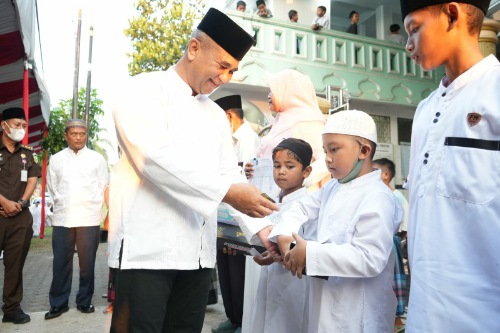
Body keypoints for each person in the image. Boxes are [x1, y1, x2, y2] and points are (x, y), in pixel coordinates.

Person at [108, 8, 278, 333]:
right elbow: (152, 158)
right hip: (147, 255)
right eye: (222, 66)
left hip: (197, 258)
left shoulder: (215, 115)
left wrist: (264, 234)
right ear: (194, 48)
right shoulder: (142, 91)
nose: (225, 78)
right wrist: (227, 192)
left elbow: (230, 175)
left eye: (233, 71)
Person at [400, 0, 500, 332]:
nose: (407, 44)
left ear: (452, 15)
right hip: (426, 311)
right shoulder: (425, 110)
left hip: (484, 314)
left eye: (415, 28)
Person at [270, 110, 402, 332]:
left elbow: (370, 258)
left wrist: (310, 253)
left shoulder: (378, 197)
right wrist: (284, 233)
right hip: (325, 300)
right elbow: (301, 207)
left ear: (364, 150)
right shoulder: (333, 186)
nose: (327, 158)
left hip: (358, 311)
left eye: (334, 149)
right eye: (325, 151)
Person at [45, 119, 109, 320]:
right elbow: (52, 188)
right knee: (61, 263)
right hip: (63, 218)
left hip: (88, 218)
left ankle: (84, 301)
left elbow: (103, 186)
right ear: (66, 135)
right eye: (74, 134)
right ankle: (58, 303)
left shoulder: (97, 159)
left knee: (87, 263)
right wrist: (64, 202)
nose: (79, 137)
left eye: (82, 134)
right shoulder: (56, 159)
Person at [250, 138, 314, 333]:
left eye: (289, 166)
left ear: (306, 171)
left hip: (294, 283)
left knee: (288, 324)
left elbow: (303, 247)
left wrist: (281, 255)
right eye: (277, 165)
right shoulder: (272, 200)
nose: (281, 171)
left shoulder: (308, 204)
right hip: (270, 278)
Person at [212, 95, 260, 333]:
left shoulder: (248, 139)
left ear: (229, 116)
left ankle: (242, 320)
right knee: (226, 265)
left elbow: (245, 178)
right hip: (223, 213)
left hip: (240, 217)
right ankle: (232, 316)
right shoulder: (227, 141)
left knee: (239, 268)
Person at [0, 107, 41, 324]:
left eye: (24, 126)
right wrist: (4, 202)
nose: (21, 129)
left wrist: (22, 202)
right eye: (16, 125)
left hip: (20, 218)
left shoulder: (27, 153)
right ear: (4, 125)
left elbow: (33, 178)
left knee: (15, 265)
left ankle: (12, 309)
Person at [373, 157, 409, 332]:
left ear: (385, 175)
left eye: (374, 171)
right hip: (378, 244)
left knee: (393, 283)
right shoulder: (374, 194)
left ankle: (397, 322)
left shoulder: (396, 196)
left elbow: (405, 226)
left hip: (392, 244)